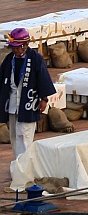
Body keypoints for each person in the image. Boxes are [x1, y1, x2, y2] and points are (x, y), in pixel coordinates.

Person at [1, 28, 55, 162]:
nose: (15, 50)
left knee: (24, 135)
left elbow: (43, 78)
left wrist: (44, 99)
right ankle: (18, 165)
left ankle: (25, 168)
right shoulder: (9, 59)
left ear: (25, 45)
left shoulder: (36, 58)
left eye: (17, 48)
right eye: (13, 48)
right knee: (14, 136)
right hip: (12, 104)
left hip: (28, 102)